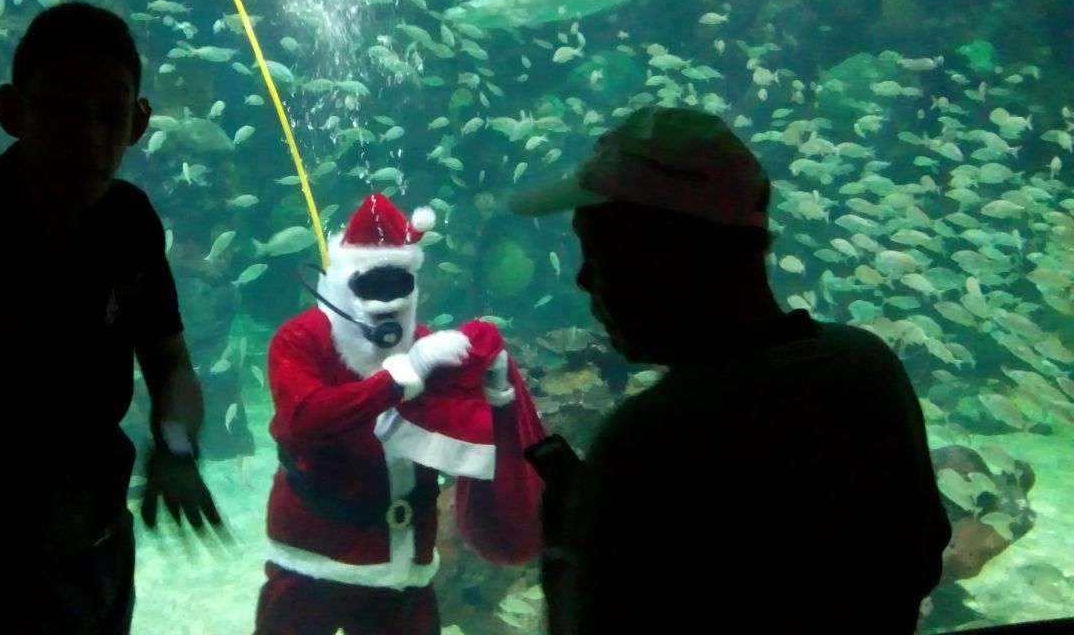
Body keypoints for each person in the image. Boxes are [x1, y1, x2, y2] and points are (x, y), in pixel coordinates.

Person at [507, 105, 952, 635]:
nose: (583, 280)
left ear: (664, 255)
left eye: (598, 251)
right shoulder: (867, 366)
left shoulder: (654, 436)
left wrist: (567, 544)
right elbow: (919, 559)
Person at [0, 2, 222, 635]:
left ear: (138, 122)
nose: (87, 136)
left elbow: (170, 363)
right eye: (60, 108)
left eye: (109, 112)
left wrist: (178, 447)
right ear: (10, 111)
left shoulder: (128, 220)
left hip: (106, 554)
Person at [254, 193, 545, 635]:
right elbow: (304, 421)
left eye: (399, 285)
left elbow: (461, 444)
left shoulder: (428, 344)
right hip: (309, 558)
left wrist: (496, 401)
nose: (387, 302)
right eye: (372, 285)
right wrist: (403, 377)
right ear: (341, 282)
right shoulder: (301, 339)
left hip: (405, 566)